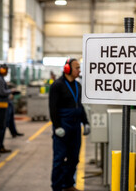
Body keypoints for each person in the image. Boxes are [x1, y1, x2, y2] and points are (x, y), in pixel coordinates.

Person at [49, 58, 90, 191]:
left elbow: (79, 106)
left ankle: (68, 184)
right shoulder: (57, 85)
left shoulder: (78, 85)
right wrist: (57, 126)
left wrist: (86, 122)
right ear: (68, 69)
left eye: (79, 68)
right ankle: (56, 187)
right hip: (63, 127)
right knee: (59, 160)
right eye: (77, 68)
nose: (79, 70)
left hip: (75, 127)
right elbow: (53, 108)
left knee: (74, 159)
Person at [0, 64, 16, 153]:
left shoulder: (1, 80)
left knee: (2, 126)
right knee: (0, 126)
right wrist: (11, 91)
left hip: (2, 105)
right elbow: (2, 92)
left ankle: (0, 145)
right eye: (3, 70)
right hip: (0, 106)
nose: (4, 71)